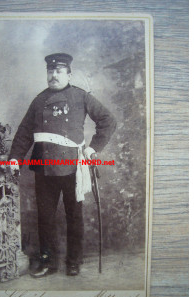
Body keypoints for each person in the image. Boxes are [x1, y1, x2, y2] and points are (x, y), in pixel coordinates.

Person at [8, 53, 116, 277]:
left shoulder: (81, 96)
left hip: (72, 167)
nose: (53, 75)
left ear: (69, 74)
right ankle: (48, 261)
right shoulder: (39, 100)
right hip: (44, 167)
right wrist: (14, 158)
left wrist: (93, 147)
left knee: (74, 216)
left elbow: (108, 120)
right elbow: (24, 132)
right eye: (50, 71)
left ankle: (74, 261)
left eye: (58, 71)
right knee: (45, 217)